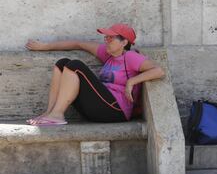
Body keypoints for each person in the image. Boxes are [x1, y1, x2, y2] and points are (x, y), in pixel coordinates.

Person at [26, 23, 165, 125]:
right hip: (98, 108)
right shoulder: (108, 54)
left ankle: (57, 115)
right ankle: (50, 113)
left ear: (124, 42)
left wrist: (131, 82)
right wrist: (44, 47)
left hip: (116, 111)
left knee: (75, 66)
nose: (107, 40)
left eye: (111, 38)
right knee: (62, 63)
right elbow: (78, 44)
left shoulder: (130, 56)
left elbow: (158, 71)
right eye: (106, 37)